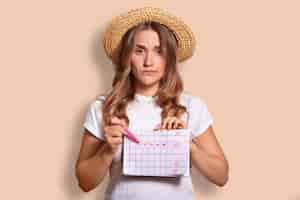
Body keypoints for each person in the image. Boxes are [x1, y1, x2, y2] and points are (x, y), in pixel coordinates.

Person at [75, 7, 229, 200]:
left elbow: (222, 176)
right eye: (139, 51)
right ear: (127, 57)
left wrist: (188, 144)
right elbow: (84, 182)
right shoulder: (103, 107)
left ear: (170, 58)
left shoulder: (192, 106)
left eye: (159, 51)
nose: (148, 61)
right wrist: (108, 150)